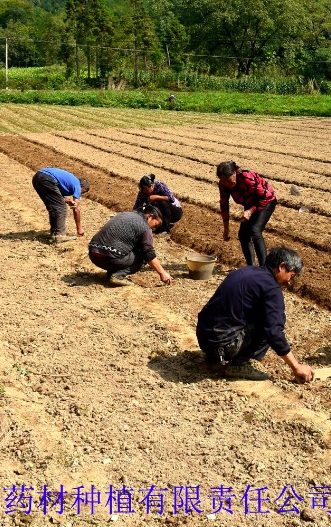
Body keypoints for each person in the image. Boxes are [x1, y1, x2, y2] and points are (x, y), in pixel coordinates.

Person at [196, 246, 314, 382]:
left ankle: (214, 356)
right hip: (222, 345)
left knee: (261, 314)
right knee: (271, 321)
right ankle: (238, 365)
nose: (289, 281)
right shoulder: (271, 288)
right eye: (291, 276)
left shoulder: (245, 271)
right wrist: (296, 366)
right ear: (282, 267)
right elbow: (274, 332)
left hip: (204, 337)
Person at [88, 205, 173, 284]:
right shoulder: (144, 226)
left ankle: (111, 273)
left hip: (93, 255)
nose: (154, 229)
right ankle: (118, 276)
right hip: (109, 259)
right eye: (156, 225)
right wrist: (162, 272)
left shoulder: (126, 214)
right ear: (150, 216)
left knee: (129, 247)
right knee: (143, 256)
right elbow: (148, 252)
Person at [216, 160, 277, 267]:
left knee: (255, 230)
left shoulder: (246, 177)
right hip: (250, 204)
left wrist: (250, 211)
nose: (227, 184)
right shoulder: (223, 185)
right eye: (224, 181)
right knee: (243, 235)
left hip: (266, 201)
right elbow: (224, 204)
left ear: (235, 173)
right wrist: (226, 228)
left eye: (229, 180)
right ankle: (251, 267)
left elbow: (263, 197)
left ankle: (265, 269)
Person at [32, 167, 89, 244]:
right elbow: (76, 208)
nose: (81, 194)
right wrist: (79, 228)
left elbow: (57, 196)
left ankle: (54, 234)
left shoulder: (68, 182)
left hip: (37, 178)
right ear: (82, 187)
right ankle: (59, 235)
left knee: (53, 206)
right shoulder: (77, 185)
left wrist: (68, 201)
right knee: (61, 207)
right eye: (83, 192)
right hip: (47, 179)